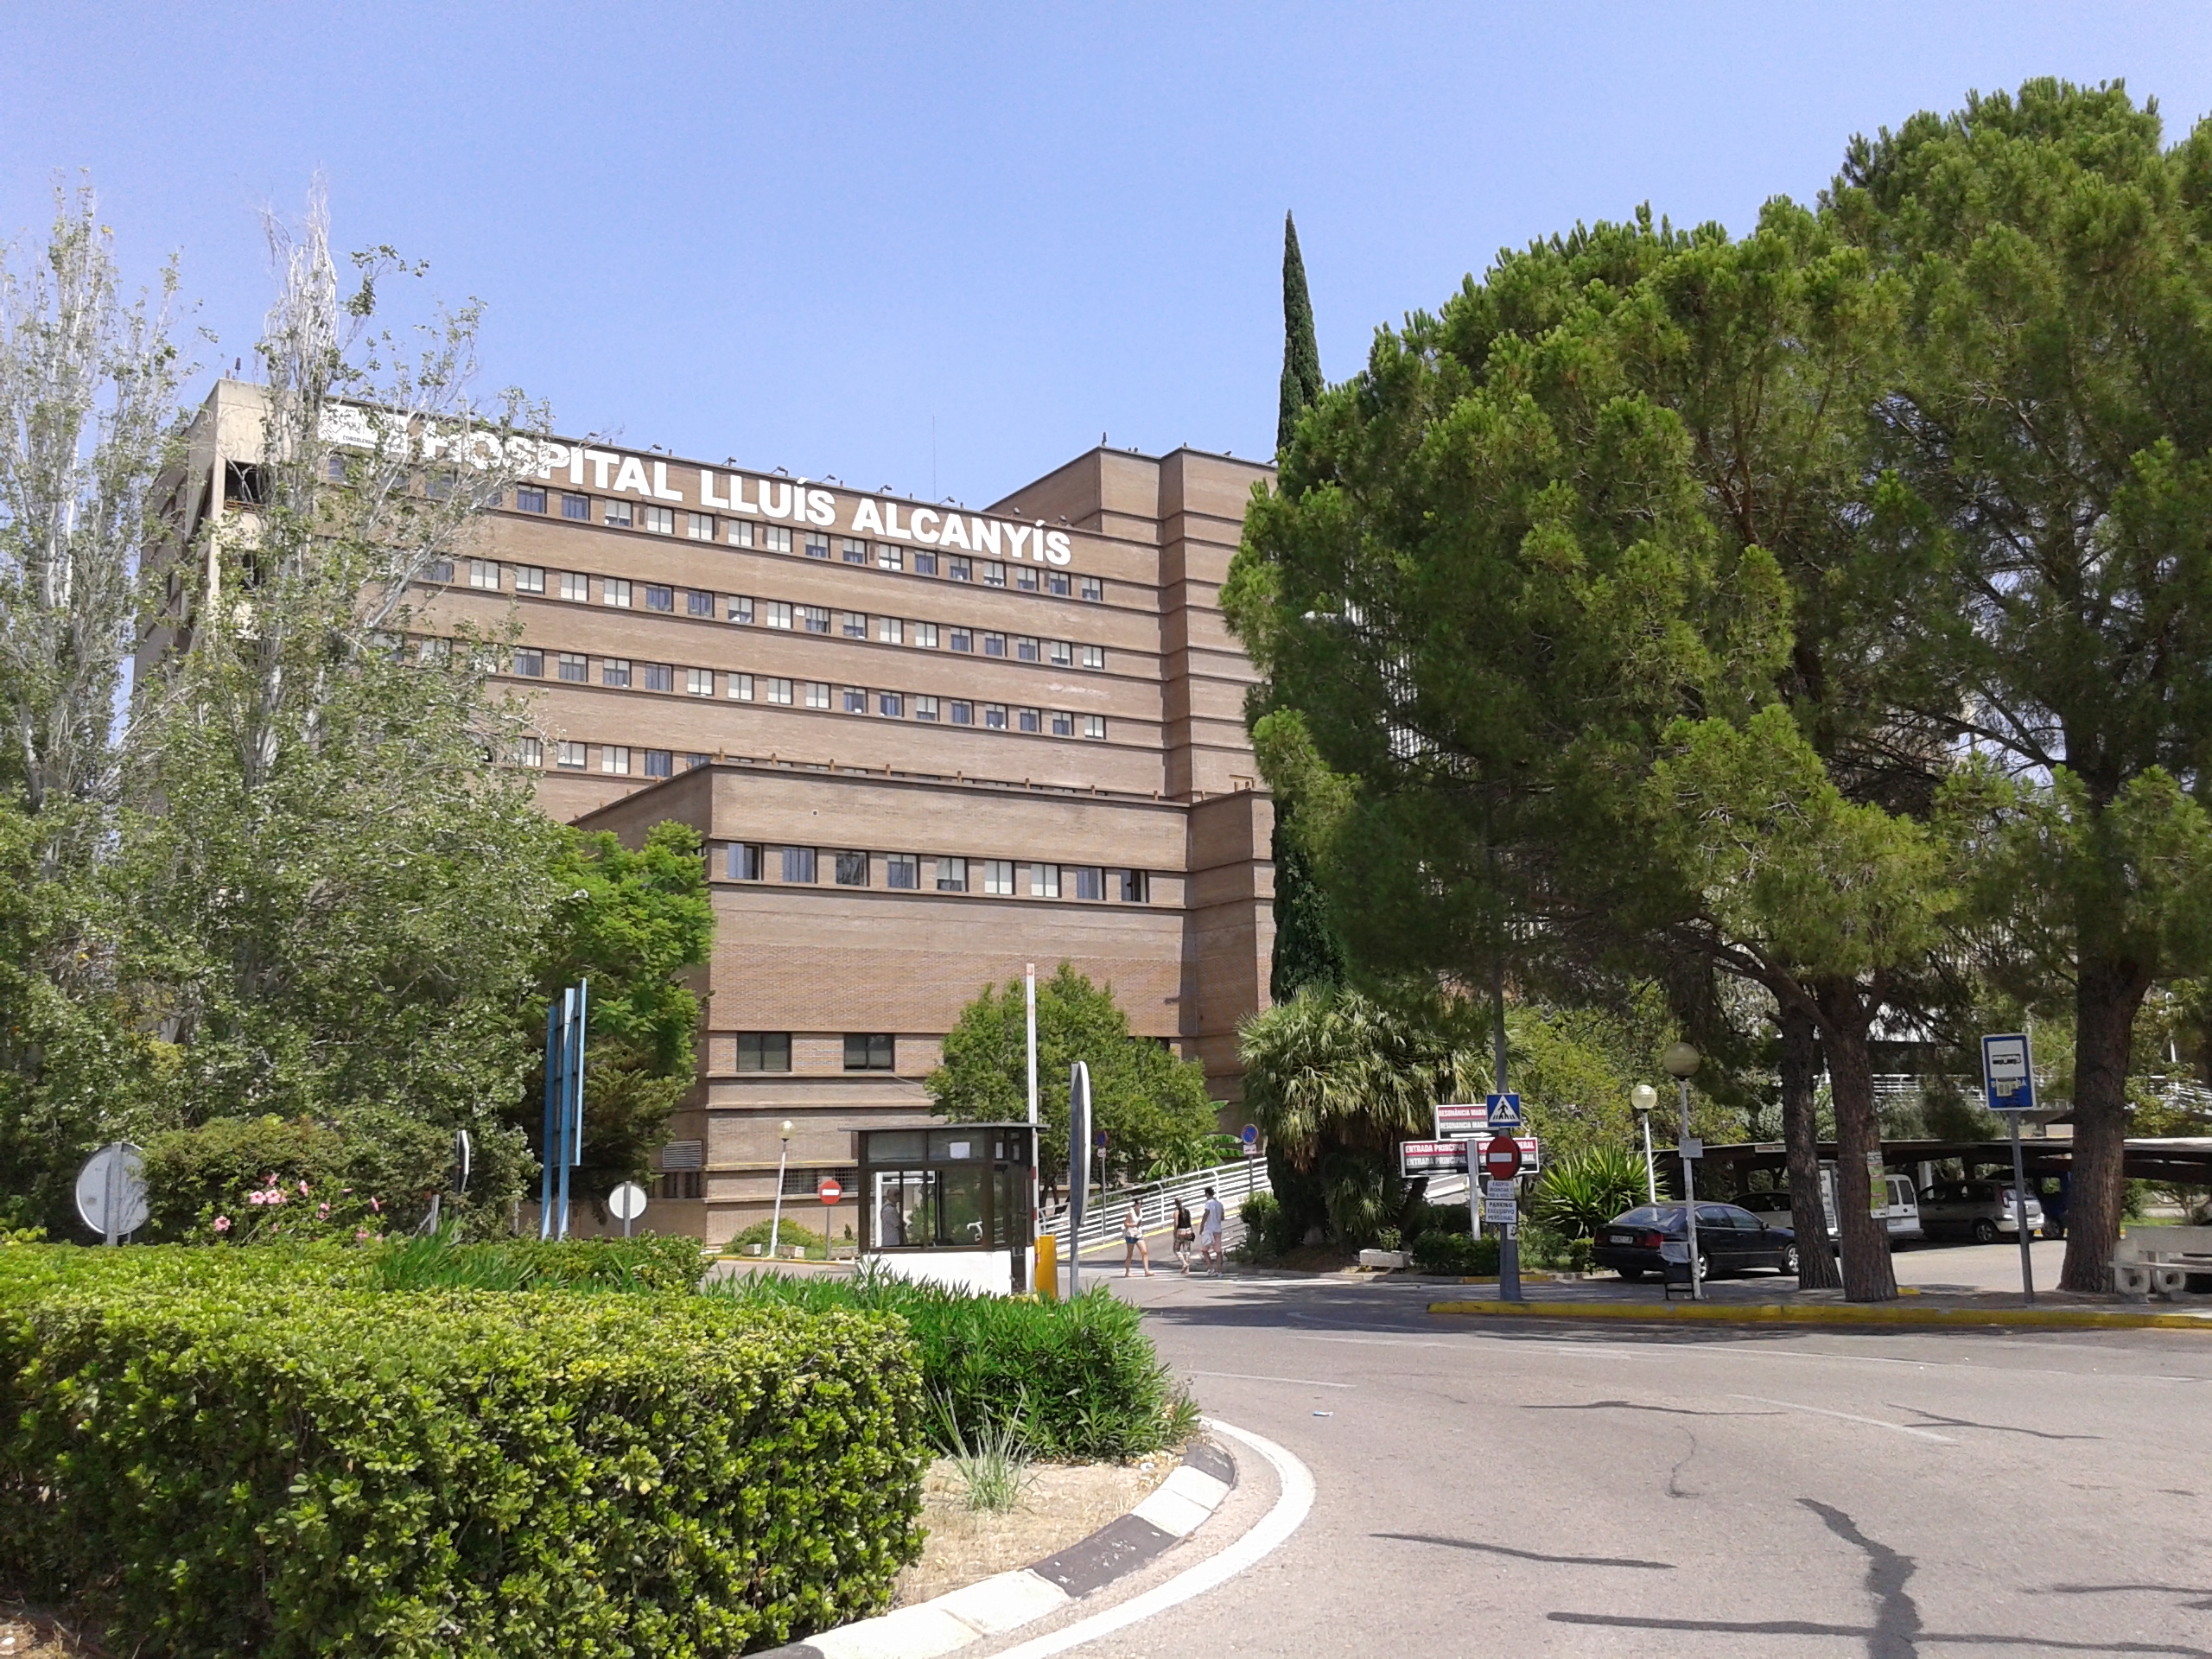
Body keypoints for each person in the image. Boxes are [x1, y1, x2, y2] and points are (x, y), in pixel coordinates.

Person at [1121, 1197, 1154, 1277]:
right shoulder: (1131, 1213)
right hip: (1130, 1235)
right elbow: (1126, 1223)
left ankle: (1146, 1271)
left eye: (1141, 1203)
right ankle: (1127, 1271)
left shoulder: (1141, 1211)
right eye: (1138, 1203)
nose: (1140, 1205)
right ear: (1135, 1204)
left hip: (1138, 1234)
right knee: (1130, 1253)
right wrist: (1134, 1225)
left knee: (1144, 1252)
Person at [1198, 1185, 1225, 1273]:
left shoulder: (1208, 1203)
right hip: (1218, 1229)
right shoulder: (1220, 1204)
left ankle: (1210, 1267)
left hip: (1209, 1230)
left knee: (1204, 1250)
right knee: (1218, 1251)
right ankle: (1219, 1271)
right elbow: (1222, 1217)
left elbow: (1206, 1214)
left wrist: (1202, 1226)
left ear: (1207, 1194)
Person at [1173, 1199, 1196, 1274]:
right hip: (1188, 1230)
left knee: (1176, 1249)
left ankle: (1184, 1263)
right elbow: (1190, 1222)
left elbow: (1176, 1224)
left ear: (1176, 1204)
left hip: (1180, 1231)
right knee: (1187, 1250)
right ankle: (1187, 1269)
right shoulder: (1188, 1211)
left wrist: (1175, 1232)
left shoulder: (1176, 1212)